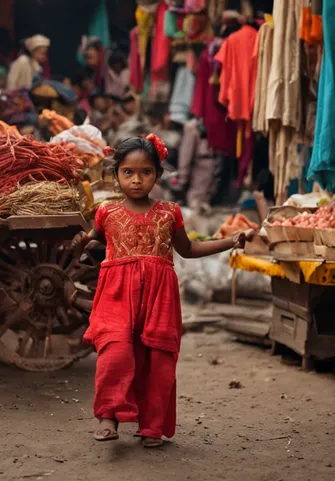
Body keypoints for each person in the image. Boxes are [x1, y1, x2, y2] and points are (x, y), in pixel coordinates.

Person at [71, 135, 251, 448]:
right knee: (114, 352)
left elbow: (189, 249)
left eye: (145, 172)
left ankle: (151, 427)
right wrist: (79, 243)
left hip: (159, 296)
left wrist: (230, 241)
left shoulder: (170, 213)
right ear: (117, 176)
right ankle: (108, 416)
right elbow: (92, 240)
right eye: (128, 173)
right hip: (116, 294)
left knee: (158, 359)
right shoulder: (106, 213)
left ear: (158, 174)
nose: (137, 180)